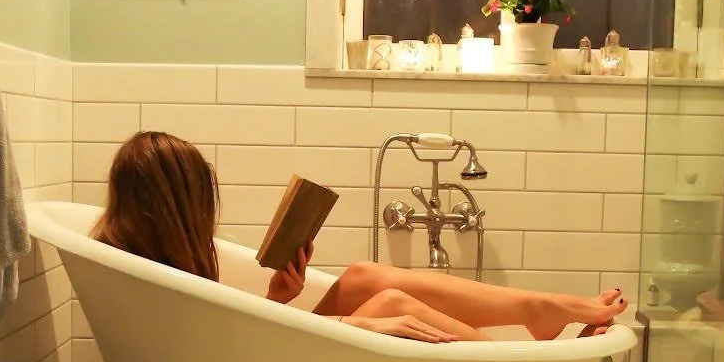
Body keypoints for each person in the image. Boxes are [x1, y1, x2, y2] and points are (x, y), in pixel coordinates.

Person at [91, 131, 628, 343]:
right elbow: (218, 353)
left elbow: (221, 336)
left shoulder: (143, 251)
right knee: (389, 300)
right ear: (176, 206)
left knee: (365, 276)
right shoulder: (134, 269)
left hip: (262, 361)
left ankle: (537, 310)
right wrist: (360, 320)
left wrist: (277, 300)